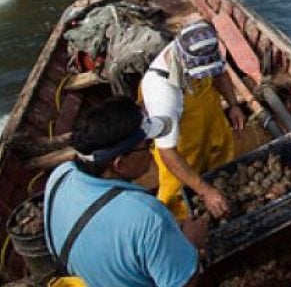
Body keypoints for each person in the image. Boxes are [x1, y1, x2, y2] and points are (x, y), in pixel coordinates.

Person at [44, 97, 206, 287]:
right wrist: (191, 244)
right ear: (119, 164)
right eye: (147, 145)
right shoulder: (149, 218)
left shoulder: (60, 176)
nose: (151, 152)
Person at [141, 20, 246, 220]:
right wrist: (205, 191)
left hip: (210, 118)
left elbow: (220, 73)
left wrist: (233, 105)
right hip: (182, 143)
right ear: (182, 60)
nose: (205, 74)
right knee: (177, 193)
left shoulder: (204, 49)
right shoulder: (162, 92)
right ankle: (180, 225)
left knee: (222, 166)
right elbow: (168, 153)